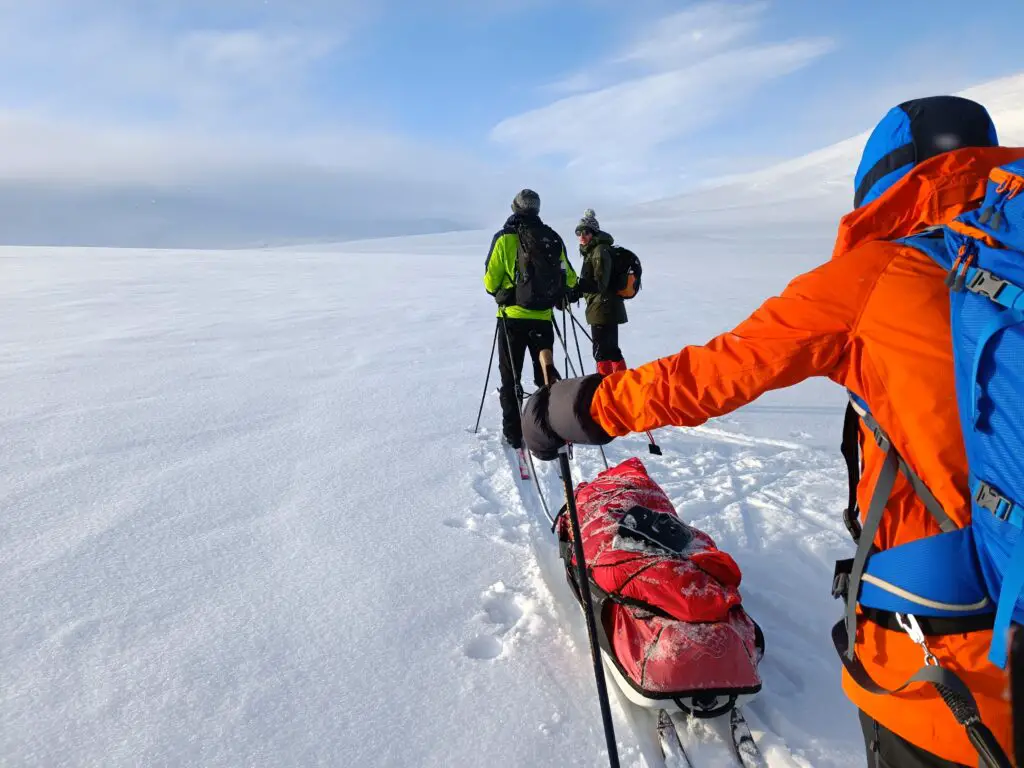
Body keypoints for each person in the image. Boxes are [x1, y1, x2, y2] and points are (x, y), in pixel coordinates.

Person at [521, 96, 1024, 766]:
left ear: (882, 182)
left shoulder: (876, 275)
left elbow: (714, 373)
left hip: (948, 660)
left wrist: (577, 409)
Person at [483, 188, 578, 450]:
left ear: (514, 208)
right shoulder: (552, 238)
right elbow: (569, 277)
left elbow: (490, 281)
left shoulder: (504, 239)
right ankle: (551, 428)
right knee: (545, 377)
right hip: (543, 319)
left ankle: (514, 435)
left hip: (511, 318)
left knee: (510, 379)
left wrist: (503, 290)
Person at [573, 209, 627, 376]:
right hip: (605, 306)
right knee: (610, 349)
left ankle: (606, 386)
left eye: (586, 232)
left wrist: (576, 289)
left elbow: (600, 283)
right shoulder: (595, 251)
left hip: (603, 306)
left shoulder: (599, 251)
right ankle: (620, 384)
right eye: (578, 232)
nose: (582, 235)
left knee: (602, 351)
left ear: (594, 233)